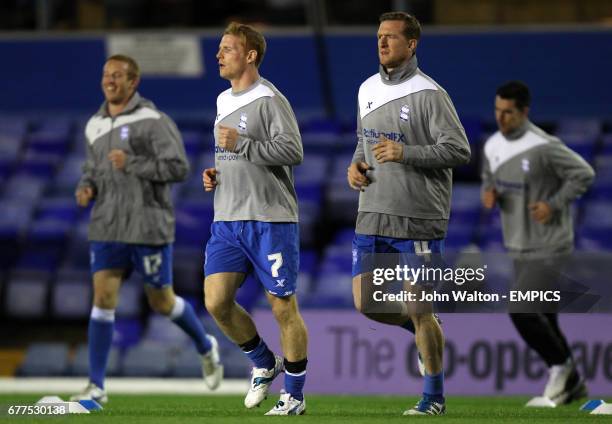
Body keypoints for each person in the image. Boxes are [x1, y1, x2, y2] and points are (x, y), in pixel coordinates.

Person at [71, 54, 222, 404]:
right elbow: (92, 169)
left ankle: (205, 344)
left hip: (148, 226)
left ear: (133, 82)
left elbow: (179, 167)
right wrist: (87, 187)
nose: (110, 81)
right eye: (106, 75)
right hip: (107, 225)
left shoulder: (153, 121)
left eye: (118, 76)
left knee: (162, 301)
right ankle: (97, 386)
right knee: (103, 300)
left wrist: (133, 162)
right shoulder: (93, 124)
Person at [347, 12, 471, 416]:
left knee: (420, 307)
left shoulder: (430, 94)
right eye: (379, 36)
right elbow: (362, 143)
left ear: (412, 44)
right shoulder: (366, 89)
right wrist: (356, 166)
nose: (382, 43)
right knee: (367, 303)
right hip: (372, 212)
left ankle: (433, 397)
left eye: (391, 37)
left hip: (417, 216)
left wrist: (407, 153)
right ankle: (424, 333)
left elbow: (459, 151)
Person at [202, 22, 308, 416]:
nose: (219, 54)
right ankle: (264, 361)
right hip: (227, 218)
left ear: (250, 55)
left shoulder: (269, 99)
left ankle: (294, 395)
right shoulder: (221, 100)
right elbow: (232, 155)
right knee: (216, 302)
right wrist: (216, 173)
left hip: (269, 220)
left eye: (227, 48)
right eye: (220, 47)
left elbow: (293, 149)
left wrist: (241, 143)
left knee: (283, 308)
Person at [481, 80, 593, 405]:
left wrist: (554, 203)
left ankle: (560, 369)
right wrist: (489, 195)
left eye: (508, 113)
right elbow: (490, 182)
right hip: (518, 244)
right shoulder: (492, 147)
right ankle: (573, 386)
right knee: (545, 315)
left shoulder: (544, 146)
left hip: (549, 244)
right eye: (497, 111)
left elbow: (583, 173)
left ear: (524, 112)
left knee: (521, 309)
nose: (501, 119)